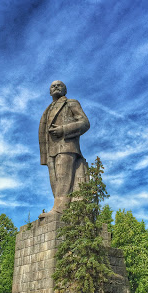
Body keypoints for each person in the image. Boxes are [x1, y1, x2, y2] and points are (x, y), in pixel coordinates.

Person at [39, 80, 90, 218]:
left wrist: (64, 129)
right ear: (50, 91)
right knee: (55, 182)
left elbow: (85, 123)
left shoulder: (71, 103)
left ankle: (59, 210)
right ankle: (61, 208)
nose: (55, 87)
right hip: (51, 149)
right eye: (52, 86)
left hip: (67, 146)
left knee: (63, 179)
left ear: (65, 90)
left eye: (59, 85)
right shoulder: (48, 109)